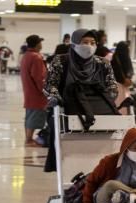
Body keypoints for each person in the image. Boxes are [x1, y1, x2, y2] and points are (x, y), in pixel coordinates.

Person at [43, 28, 118, 172]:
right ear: (74, 44)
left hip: (98, 110)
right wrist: (57, 99)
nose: (89, 46)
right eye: (85, 42)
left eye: (92, 42)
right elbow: (50, 85)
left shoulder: (102, 63)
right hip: (67, 109)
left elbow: (112, 86)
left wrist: (105, 97)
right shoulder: (61, 61)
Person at [21, 35, 47, 147]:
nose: (41, 44)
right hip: (36, 93)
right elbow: (39, 76)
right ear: (37, 44)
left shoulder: (26, 55)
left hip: (29, 90)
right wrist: (44, 90)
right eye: (40, 42)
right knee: (34, 116)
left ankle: (28, 138)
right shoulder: (36, 57)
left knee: (30, 115)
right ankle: (29, 140)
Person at [111, 41, 134, 115]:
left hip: (116, 84)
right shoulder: (126, 58)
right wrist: (128, 78)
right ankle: (124, 115)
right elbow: (130, 70)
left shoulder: (114, 57)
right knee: (124, 101)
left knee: (118, 102)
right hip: (124, 85)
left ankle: (118, 114)